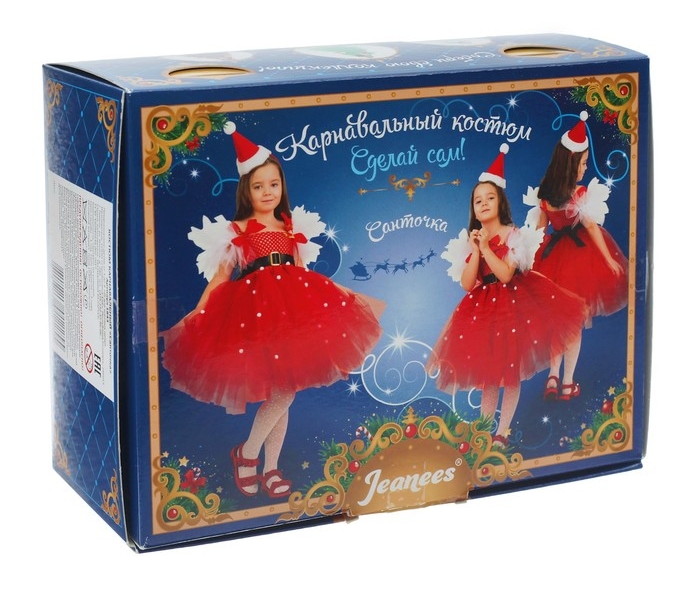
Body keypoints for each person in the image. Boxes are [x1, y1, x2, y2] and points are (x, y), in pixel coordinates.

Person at [162, 121, 383, 499]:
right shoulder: (236, 230)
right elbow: (220, 278)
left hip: (293, 315)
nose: (267, 192)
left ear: (282, 186)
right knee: (282, 393)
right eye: (258, 186)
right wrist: (199, 313)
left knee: (284, 392)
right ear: (246, 190)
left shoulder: (289, 225)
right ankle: (248, 456)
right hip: (256, 316)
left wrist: (329, 299)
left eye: (274, 184)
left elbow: (301, 270)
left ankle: (269, 467)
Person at [430, 144, 588, 447]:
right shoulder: (473, 239)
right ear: (473, 209)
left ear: (501, 202)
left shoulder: (514, 235)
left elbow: (504, 274)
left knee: (510, 373)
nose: (484, 203)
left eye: (490, 198)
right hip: (483, 309)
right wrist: (476, 249)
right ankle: (483, 431)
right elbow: (467, 283)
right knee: (490, 377)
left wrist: (487, 248)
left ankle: (502, 432)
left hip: (512, 306)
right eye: (478, 200)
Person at [524, 110, 628, 401]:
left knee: (559, 320)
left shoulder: (545, 196)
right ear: (571, 164)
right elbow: (591, 227)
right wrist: (608, 259)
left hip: (554, 259)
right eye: (582, 163)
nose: (585, 168)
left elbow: (540, 230)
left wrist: (532, 260)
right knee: (575, 322)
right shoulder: (578, 193)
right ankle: (567, 382)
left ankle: (552, 375)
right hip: (579, 260)